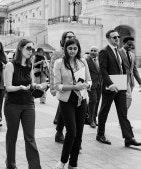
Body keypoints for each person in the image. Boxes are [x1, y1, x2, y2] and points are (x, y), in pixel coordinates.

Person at [4, 39, 48, 169]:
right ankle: (11, 165)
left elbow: (31, 83)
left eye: (32, 49)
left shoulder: (30, 65)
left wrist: (38, 85)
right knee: (12, 136)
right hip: (13, 105)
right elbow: (8, 87)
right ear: (20, 48)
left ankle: (35, 167)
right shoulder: (10, 65)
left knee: (30, 138)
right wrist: (20, 87)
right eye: (28, 48)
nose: (31, 51)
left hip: (28, 104)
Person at [96, 29, 141, 147]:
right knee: (104, 111)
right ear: (108, 39)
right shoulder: (104, 52)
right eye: (114, 37)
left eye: (118, 37)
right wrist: (110, 84)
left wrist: (125, 84)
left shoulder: (118, 51)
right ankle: (100, 134)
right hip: (110, 87)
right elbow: (103, 70)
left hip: (120, 86)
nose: (117, 39)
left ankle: (129, 138)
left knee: (123, 112)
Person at [54, 38, 91, 169]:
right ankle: (63, 160)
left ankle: (73, 163)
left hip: (82, 99)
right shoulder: (59, 63)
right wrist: (74, 87)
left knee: (79, 133)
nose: (72, 51)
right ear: (65, 49)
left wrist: (87, 85)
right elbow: (57, 85)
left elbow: (89, 80)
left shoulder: (82, 61)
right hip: (66, 100)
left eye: (75, 48)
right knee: (72, 132)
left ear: (78, 49)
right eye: (70, 48)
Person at [50, 31, 76, 143]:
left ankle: (60, 132)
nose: (71, 38)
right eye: (69, 37)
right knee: (63, 109)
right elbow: (52, 71)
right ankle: (60, 133)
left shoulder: (75, 50)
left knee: (63, 110)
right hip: (62, 86)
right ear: (63, 38)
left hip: (74, 87)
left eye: (73, 37)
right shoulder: (58, 53)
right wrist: (52, 87)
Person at [118, 36, 141, 109]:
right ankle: (123, 117)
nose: (131, 46)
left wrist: (140, 82)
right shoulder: (118, 52)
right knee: (129, 98)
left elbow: (134, 70)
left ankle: (122, 117)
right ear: (123, 43)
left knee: (125, 100)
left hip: (131, 81)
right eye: (129, 44)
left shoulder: (132, 54)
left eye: (132, 45)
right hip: (122, 80)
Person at [85, 46, 102, 128]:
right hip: (91, 84)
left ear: (98, 52)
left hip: (100, 84)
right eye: (91, 50)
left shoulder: (100, 60)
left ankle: (94, 119)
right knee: (93, 101)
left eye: (95, 50)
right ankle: (91, 120)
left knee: (97, 101)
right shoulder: (86, 60)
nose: (93, 52)